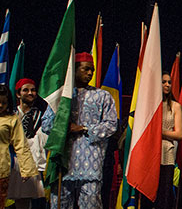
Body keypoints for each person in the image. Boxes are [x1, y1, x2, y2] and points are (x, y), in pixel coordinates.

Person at [44, 52, 118, 209]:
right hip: (63, 161)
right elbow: (46, 124)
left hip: (91, 163)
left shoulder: (102, 96)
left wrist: (84, 128)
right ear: (75, 70)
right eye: (85, 69)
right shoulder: (62, 97)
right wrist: (64, 128)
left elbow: (111, 124)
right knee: (60, 203)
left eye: (92, 69)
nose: (90, 73)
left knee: (90, 204)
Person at [8, 79, 50, 209]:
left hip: (34, 162)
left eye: (33, 90)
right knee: (19, 200)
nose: (30, 93)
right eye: (26, 90)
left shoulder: (42, 116)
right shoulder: (11, 114)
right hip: (14, 163)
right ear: (18, 94)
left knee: (36, 200)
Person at [0, 84, 37, 209]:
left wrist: (26, 169)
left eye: (3, 103)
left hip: (2, 170)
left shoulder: (12, 119)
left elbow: (21, 145)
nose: (0, 105)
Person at [156, 71, 182, 208]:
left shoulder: (175, 106)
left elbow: (179, 134)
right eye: (163, 82)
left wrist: (159, 132)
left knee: (164, 195)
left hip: (167, 155)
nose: (167, 85)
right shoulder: (151, 105)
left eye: (169, 82)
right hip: (151, 154)